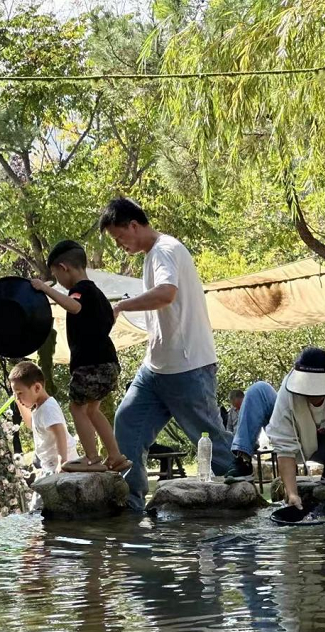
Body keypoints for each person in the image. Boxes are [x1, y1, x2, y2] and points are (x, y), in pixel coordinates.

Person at [100, 197, 232, 510]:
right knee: (127, 421)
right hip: (155, 368)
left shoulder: (165, 250)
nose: (120, 245)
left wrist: (121, 306)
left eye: (120, 237)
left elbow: (166, 293)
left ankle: (242, 498)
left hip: (188, 367)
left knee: (211, 441)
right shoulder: (152, 256)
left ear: (134, 225)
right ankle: (131, 504)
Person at [228, 348, 325, 499]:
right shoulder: (288, 393)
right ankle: (243, 460)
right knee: (258, 390)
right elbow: (284, 445)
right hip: (298, 440)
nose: (313, 396)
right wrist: (292, 493)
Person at [31, 240, 132, 473]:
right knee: (92, 411)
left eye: (56, 275)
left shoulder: (81, 290)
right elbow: (108, 321)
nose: (58, 281)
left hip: (90, 365)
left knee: (77, 409)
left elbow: (74, 307)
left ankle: (92, 458)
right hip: (108, 364)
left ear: (64, 267)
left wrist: (45, 288)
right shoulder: (98, 295)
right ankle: (116, 456)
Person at [9, 361, 79, 481]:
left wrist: (62, 462)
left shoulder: (48, 408)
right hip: (50, 467)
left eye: (20, 393)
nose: (18, 397)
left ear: (37, 388)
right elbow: (31, 423)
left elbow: (59, 432)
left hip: (64, 467)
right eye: (15, 394)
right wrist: (19, 403)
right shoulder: (39, 409)